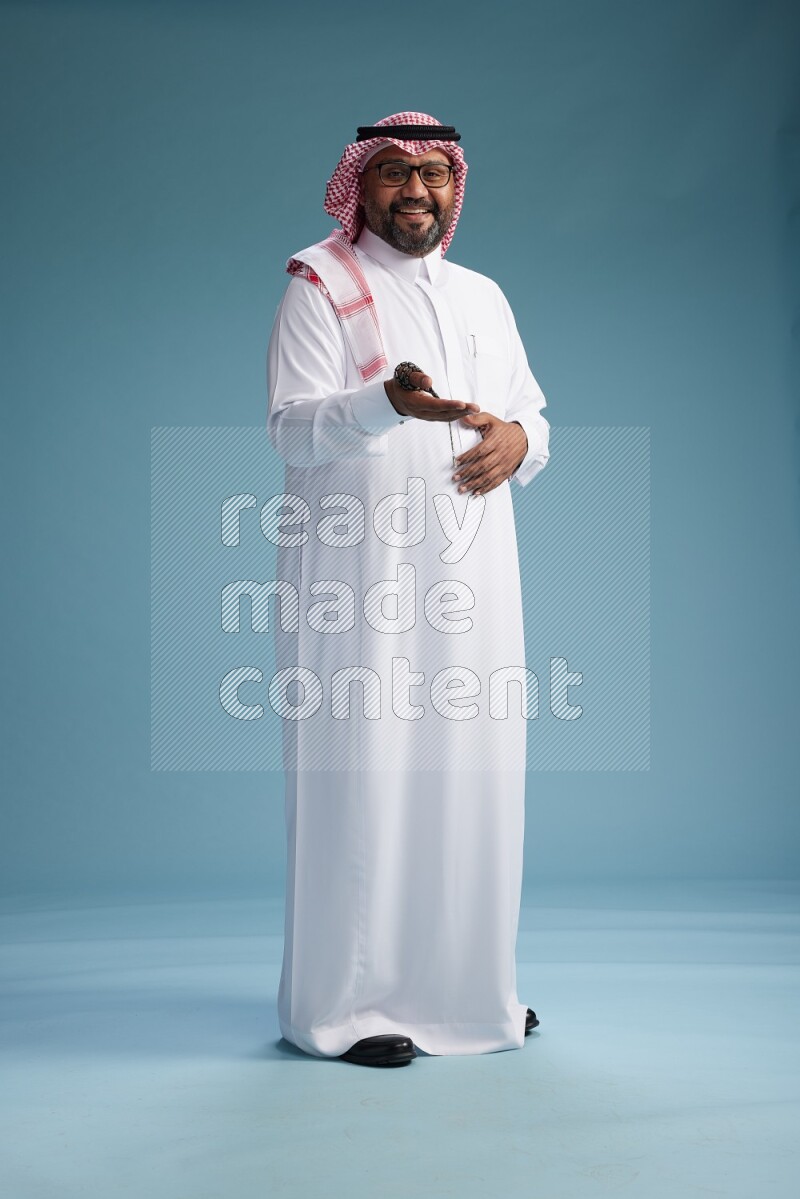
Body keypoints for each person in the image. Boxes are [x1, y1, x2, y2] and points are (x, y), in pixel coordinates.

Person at [266, 112, 551, 1068]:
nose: (415, 192)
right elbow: (292, 432)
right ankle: (341, 1008)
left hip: (472, 578)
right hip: (360, 580)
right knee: (367, 779)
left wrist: (519, 441)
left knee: (475, 778)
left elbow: (530, 416)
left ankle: (471, 992)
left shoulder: (482, 295)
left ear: (454, 186)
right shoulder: (320, 281)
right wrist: (386, 402)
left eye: (432, 174)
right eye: (393, 174)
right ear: (361, 184)